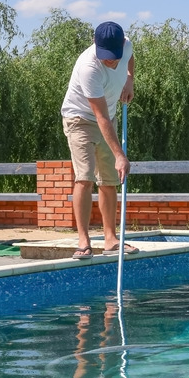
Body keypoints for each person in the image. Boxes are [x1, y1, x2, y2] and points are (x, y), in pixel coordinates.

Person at [61, 21, 139, 259]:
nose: (111, 61)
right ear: (96, 45)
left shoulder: (125, 47)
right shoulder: (88, 67)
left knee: (109, 180)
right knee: (84, 178)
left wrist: (129, 79)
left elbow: (130, 58)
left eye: (114, 56)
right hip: (80, 119)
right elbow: (100, 116)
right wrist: (120, 155)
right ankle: (84, 241)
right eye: (106, 57)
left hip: (110, 119)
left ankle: (111, 239)